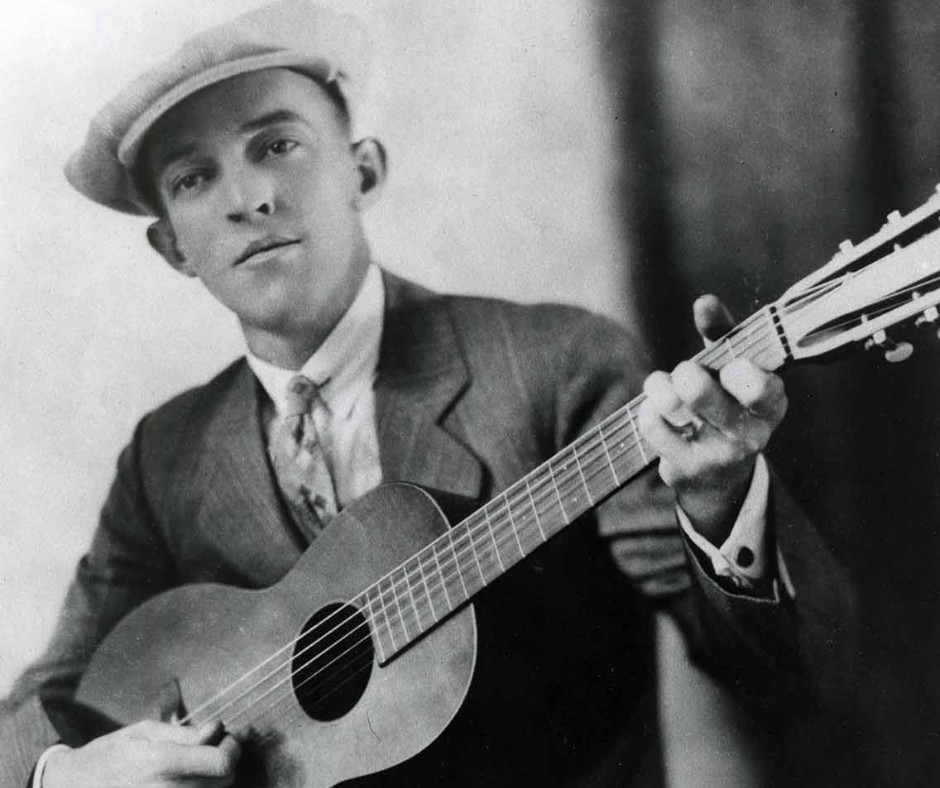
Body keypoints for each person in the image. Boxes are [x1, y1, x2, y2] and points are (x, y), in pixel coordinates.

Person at [0, 2, 856, 786]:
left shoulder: (556, 364)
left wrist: (719, 503)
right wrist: (64, 775)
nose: (248, 198)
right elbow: (32, 717)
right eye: (193, 178)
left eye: (278, 145)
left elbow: (806, 672)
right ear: (174, 250)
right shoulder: (168, 455)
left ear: (362, 172)